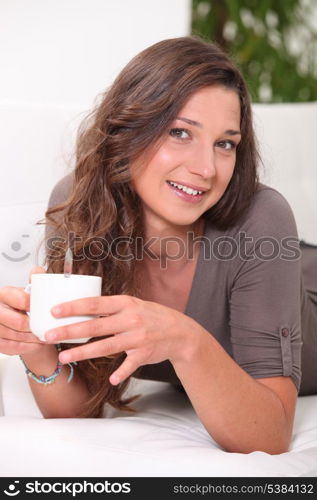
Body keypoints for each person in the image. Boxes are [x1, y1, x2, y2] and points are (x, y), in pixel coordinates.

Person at [0, 36, 316, 455]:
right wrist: (38, 352)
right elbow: (78, 412)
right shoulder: (79, 205)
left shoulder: (261, 215)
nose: (206, 169)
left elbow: (269, 436)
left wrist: (185, 339)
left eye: (225, 143)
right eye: (180, 132)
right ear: (127, 129)